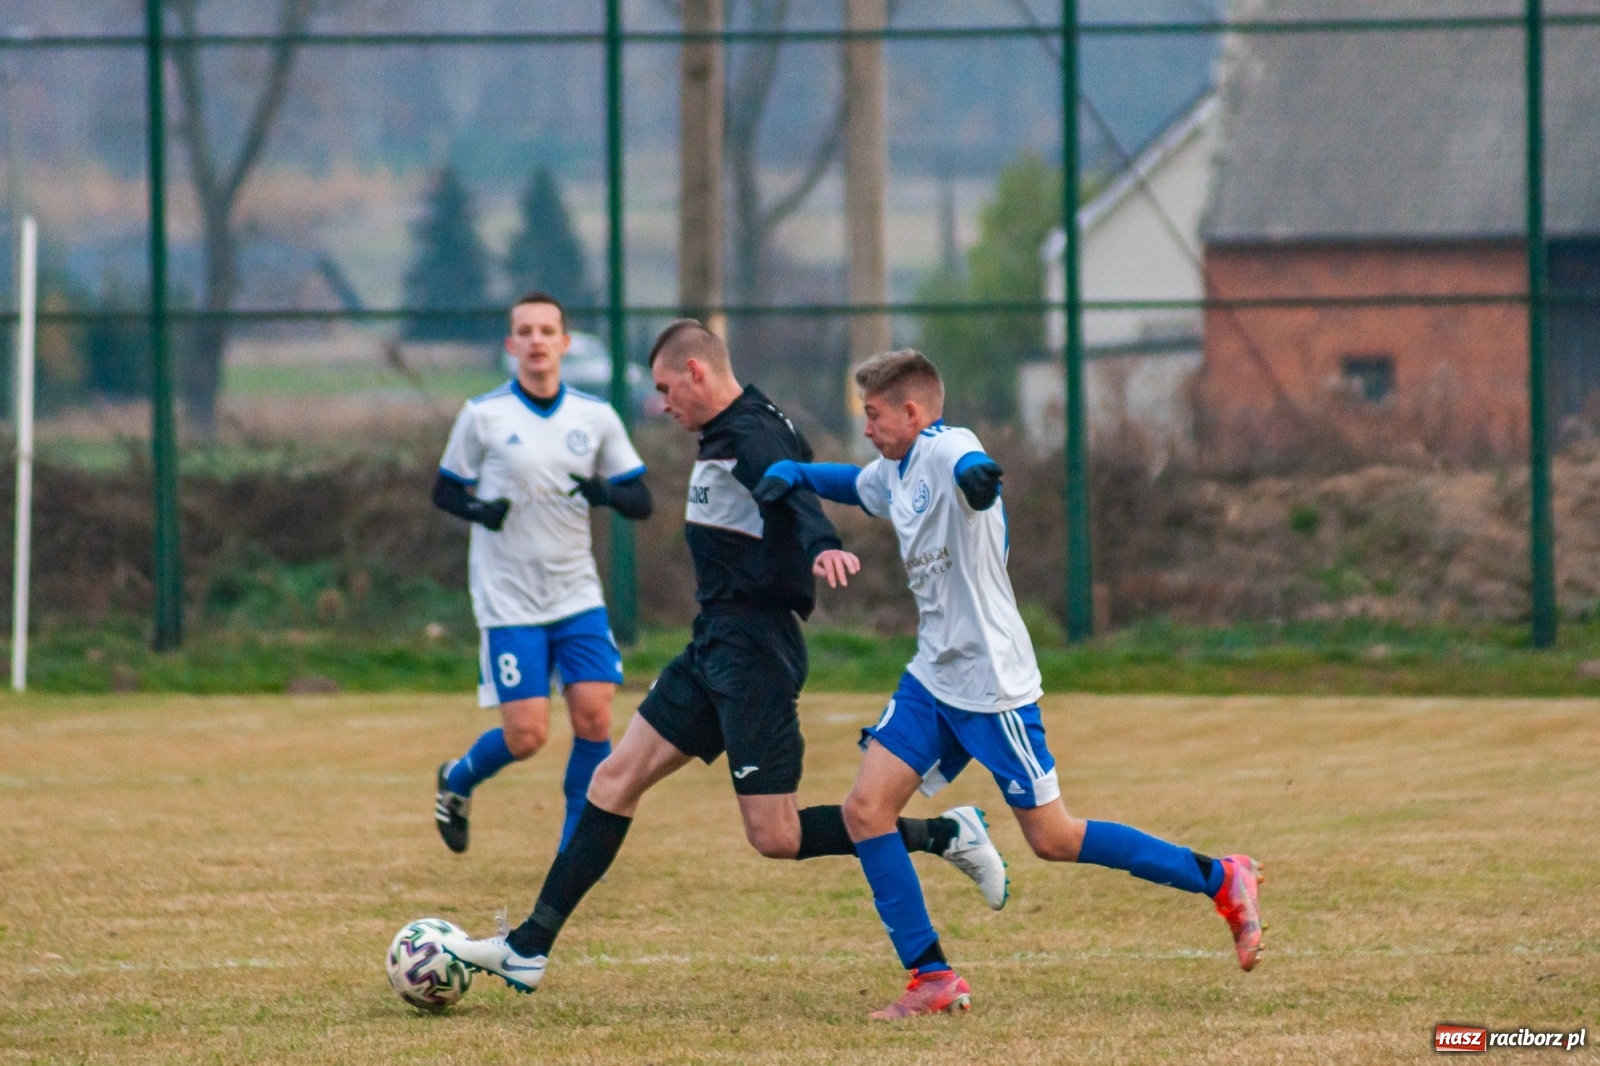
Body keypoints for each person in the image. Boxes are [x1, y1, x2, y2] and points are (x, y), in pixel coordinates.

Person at [439, 320, 1009, 993]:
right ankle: (530, 947)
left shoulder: (752, 431)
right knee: (613, 780)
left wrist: (820, 541)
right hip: (715, 642)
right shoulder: (723, 430)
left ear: (696, 373)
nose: (661, 404)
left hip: (755, 652)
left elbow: (791, 487)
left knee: (773, 833)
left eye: (664, 388)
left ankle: (944, 834)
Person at [751, 349, 1264, 1018]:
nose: (866, 427)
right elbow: (856, 483)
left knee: (1053, 838)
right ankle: (931, 976)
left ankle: (1222, 877)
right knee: (864, 810)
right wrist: (796, 474)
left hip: (992, 684)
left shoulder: (942, 448)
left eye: (873, 415)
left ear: (912, 413)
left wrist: (980, 482)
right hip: (934, 675)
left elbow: (969, 462)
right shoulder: (896, 471)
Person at [431, 292, 653, 856]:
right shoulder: (483, 415)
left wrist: (604, 492)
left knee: (595, 718)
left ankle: (574, 850)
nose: (536, 341)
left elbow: (641, 499)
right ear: (511, 346)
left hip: (575, 593)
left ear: (564, 343)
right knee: (527, 737)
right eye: (525, 331)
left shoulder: (595, 417)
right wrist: (483, 510)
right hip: (509, 600)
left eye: (546, 330)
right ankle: (457, 780)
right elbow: (445, 491)